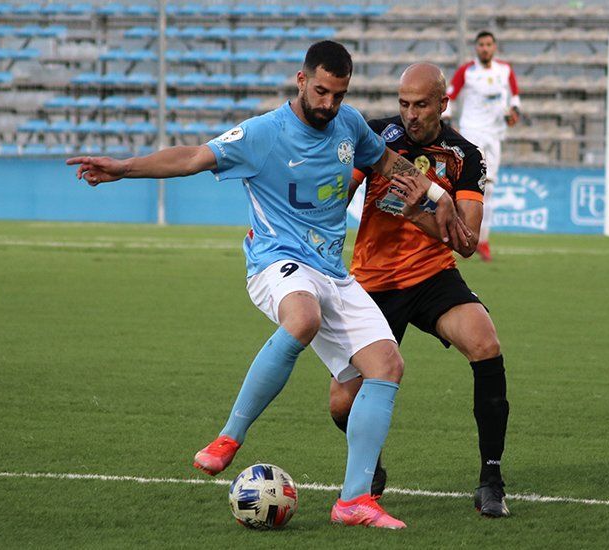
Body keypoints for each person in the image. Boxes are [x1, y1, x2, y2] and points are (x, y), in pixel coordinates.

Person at [67, 41, 468, 529]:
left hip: (331, 271)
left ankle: (354, 501)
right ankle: (229, 437)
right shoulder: (264, 133)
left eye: (338, 95)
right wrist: (124, 169)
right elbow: (195, 156)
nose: (328, 104)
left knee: (386, 364)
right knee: (303, 317)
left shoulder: (349, 125)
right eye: (321, 91)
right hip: (275, 261)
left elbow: (386, 163)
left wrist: (434, 192)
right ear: (301, 81)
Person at [329, 63, 512, 517]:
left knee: (485, 344)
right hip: (372, 282)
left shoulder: (465, 156)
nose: (410, 114)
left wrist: (419, 214)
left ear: (443, 104)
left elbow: (467, 244)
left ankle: (492, 480)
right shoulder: (375, 138)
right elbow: (337, 196)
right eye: (404, 104)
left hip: (432, 275)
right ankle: (371, 464)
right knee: (339, 403)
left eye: (421, 104)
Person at [445, 30, 521, 262]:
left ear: (494, 47)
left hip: (494, 136)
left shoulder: (505, 71)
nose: (485, 48)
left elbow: (515, 99)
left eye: (488, 44)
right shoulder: (466, 72)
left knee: (489, 189)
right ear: (476, 48)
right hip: (471, 134)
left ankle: (482, 239)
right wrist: (447, 120)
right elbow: (450, 96)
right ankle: (453, 236)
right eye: (481, 45)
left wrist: (513, 114)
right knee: (462, 185)